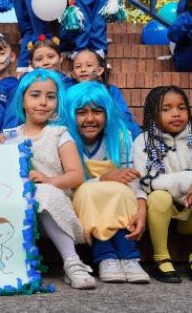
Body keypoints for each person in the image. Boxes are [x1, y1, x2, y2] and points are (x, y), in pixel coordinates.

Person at [2, 69, 94, 289]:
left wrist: (48, 180)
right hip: (19, 210)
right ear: (22, 99)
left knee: (42, 192)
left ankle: (72, 262)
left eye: (50, 97)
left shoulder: (59, 134)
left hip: (53, 210)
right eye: (35, 95)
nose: (43, 102)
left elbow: (76, 175)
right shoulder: (10, 136)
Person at [132, 85, 192, 283]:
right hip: (159, 215)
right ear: (152, 115)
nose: (175, 114)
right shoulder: (143, 142)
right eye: (166, 109)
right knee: (159, 196)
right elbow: (148, 181)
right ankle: (161, 258)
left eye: (181, 107)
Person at [65, 82, 150, 284]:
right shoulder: (65, 139)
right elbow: (71, 184)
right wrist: (103, 178)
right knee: (89, 191)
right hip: (82, 200)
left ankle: (129, 256)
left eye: (97, 111)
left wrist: (141, 207)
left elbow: (133, 179)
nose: (90, 119)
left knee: (121, 191)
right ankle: (106, 256)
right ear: (70, 114)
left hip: (120, 200)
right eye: (81, 112)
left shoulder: (121, 136)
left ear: (107, 113)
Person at [70, 49, 141, 139]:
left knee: (130, 127)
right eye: (78, 66)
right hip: (79, 134)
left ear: (100, 71)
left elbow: (124, 115)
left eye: (89, 65)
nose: (83, 69)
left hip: (109, 131)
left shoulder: (110, 90)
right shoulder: (70, 93)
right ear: (73, 74)